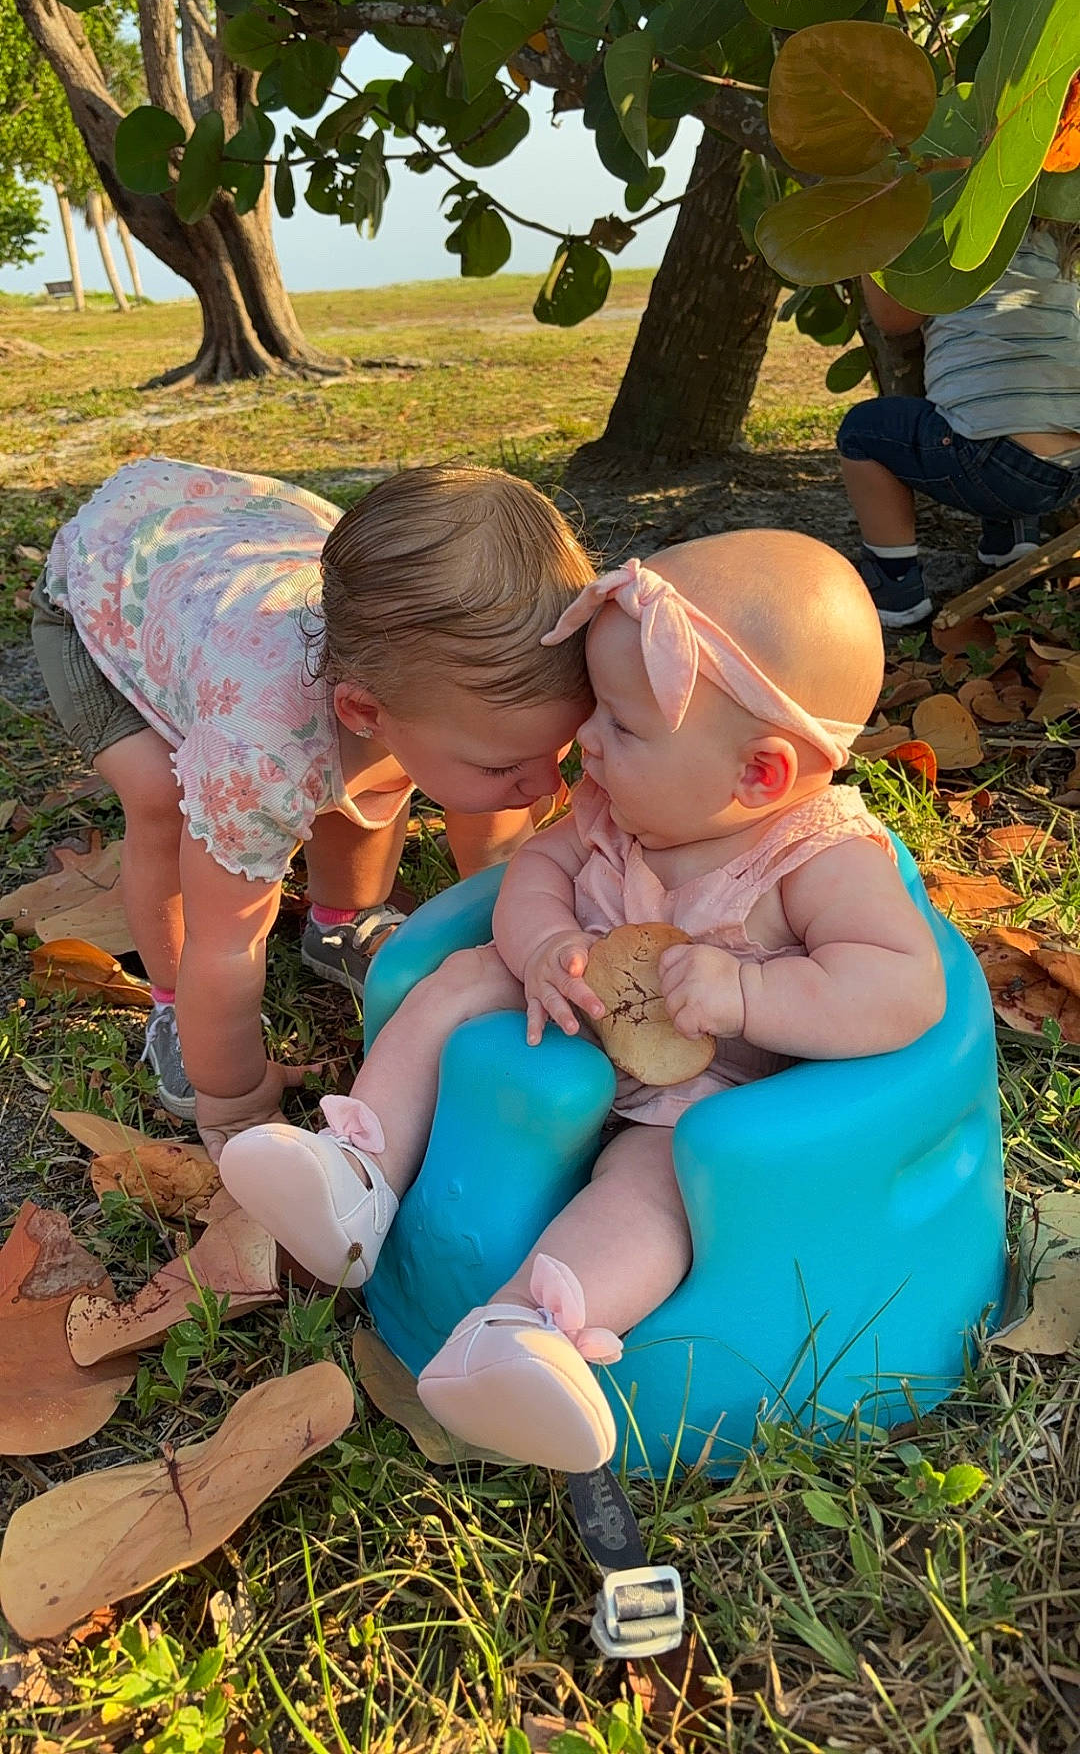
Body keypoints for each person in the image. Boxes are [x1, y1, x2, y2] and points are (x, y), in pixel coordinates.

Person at [219, 529, 946, 1472]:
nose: (584, 742)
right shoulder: (621, 802)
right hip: (560, 1013)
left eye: (622, 725)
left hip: (700, 1095)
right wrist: (544, 942)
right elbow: (537, 872)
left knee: (654, 1195)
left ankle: (526, 1333)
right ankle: (355, 1171)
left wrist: (749, 990)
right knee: (450, 979)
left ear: (758, 773)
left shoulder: (817, 860)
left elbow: (903, 990)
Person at [31, 458, 595, 1154]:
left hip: (242, 542)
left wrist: (524, 935)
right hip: (108, 586)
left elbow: (499, 847)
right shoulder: (259, 748)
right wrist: (233, 1098)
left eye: (560, 749)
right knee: (164, 802)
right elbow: (228, 939)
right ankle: (176, 1011)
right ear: (365, 709)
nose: (545, 786)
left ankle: (341, 921)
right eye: (506, 763)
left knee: (387, 773)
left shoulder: (453, 704)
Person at [838, 220, 1080, 627]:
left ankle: (896, 592)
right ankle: (1012, 543)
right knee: (1003, 407)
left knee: (864, 431)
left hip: (993, 462)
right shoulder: (1051, 230)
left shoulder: (942, 227)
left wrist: (874, 237)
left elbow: (893, 318)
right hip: (1072, 469)